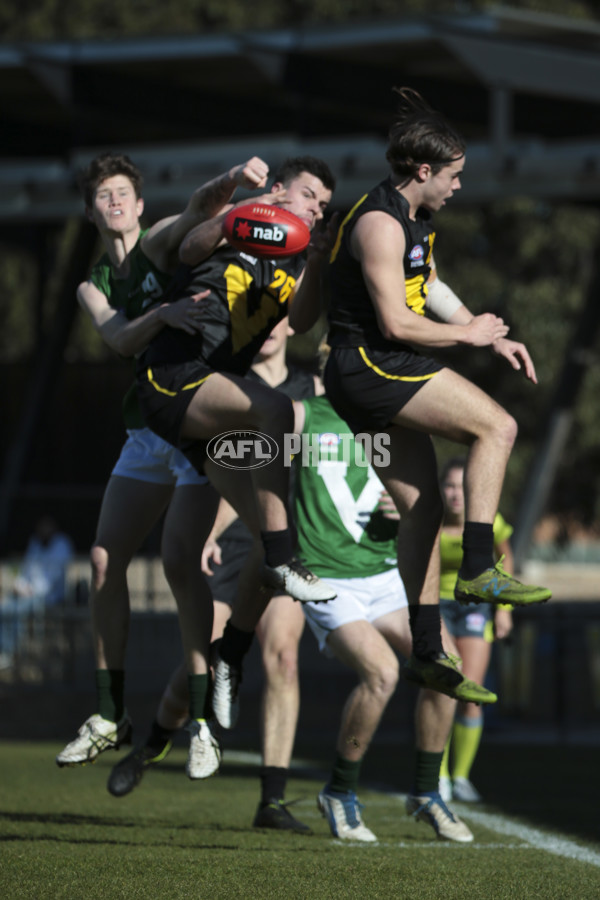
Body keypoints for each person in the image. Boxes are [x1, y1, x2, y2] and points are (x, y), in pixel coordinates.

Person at [323, 86, 551, 702]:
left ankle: (426, 649)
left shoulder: (418, 222)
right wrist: (465, 336)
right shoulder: (377, 222)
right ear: (422, 171)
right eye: (452, 175)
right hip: (370, 363)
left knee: (423, 509)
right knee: (497, 427)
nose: (457, 186)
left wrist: (487, 334)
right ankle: (479, 567)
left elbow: (431, 283)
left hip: (375, 366)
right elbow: (396, 322)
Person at [56, 152, 274, 774]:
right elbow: (120, 338)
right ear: (92, 208)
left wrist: (233, 179)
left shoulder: (158, 240)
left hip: (193, 419)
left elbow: (201, 208)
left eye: (123, 192)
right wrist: (162, 316)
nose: (115, 202)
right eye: (104, 195)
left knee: (181, 564)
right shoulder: (92, 283)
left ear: (140, 203)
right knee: (103, 559)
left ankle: (201, 722)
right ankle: (109, 714)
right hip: (147, 429)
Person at [108, 318, 322, 835]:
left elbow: (343, 456)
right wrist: (207, 530)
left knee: (284, 657)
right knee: (198, 659)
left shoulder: (314, 391)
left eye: (279, 315)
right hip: (227, 544)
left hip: (281, 545)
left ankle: (271, 800)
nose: (268, 326)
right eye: (259, 315)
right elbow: (220, 470)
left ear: (294, 323)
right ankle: (156, 742)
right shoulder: (224, 386)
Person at [135, 155, 338, 609]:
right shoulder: (237, 223)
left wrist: (319, 259)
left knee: (269, 535)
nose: (316, 210)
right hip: (174, 372)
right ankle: (281, 564)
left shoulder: (297, 258)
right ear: (280, 188)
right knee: (278, 408)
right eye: (309, 196)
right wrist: (233, 218)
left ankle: (230, 656)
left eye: (324, 205)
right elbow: (188, 250)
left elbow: (302, 322)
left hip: (212, 400)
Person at [295, 394, 473, 843]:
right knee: (382, 675)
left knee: (446, 666)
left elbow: (423, 498)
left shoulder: (396, 417)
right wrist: (216, 531)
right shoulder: (300, 416)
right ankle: (340, 789)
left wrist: (406, 508)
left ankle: (428, 791)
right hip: (327, 579)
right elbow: (248, 473)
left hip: (385, 576)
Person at [437, 456, 513, 803]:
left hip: (474, 605)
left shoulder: (486, 520)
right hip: (436, 605)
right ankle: (436, 775)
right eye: (449, 485)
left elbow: (504, 558)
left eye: (461, 486)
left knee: (471, 693)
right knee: (440, 688)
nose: (455, 494)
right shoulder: (428, 520)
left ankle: (461, 776)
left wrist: (504, 609)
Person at [0, 515, 74, 666]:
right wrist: (20, 585)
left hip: (47, 596)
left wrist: (30, 590)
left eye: (46, 525)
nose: (43, 529)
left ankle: (8, 652)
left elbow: (53, 578)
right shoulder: (35, 542)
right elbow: (26, 569)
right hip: (27, 592)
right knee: (3, 609)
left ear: (53, 526)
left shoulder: (62, 544)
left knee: (15, 610)